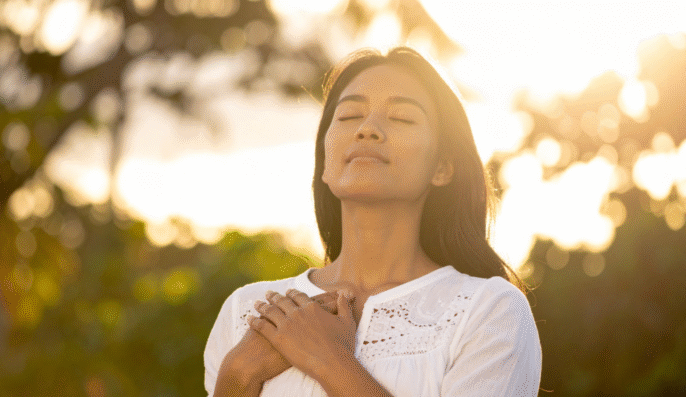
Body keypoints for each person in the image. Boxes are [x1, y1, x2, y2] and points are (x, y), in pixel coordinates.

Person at [203, 47, 541, 397]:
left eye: (402, 118)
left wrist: (328, 360)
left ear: (443, 167)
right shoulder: (247, 309)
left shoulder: (488, 310)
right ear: (325, 160)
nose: (367, 129)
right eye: (349, 116)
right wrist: (238, 375)